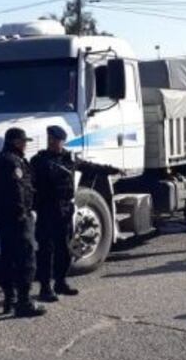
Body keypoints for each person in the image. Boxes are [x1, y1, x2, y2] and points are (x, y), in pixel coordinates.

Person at [30, 125, 120, 302]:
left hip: (64, 209)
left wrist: (112, 169)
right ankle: (45, 288)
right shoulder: (39, 160)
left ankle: (61, 282)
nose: (52, 143)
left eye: (55, 140)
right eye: (50, 139)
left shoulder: (69, 158)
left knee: (64, 248)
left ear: (62, 141)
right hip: (47, 208)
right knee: (46, 250)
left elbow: (89, 167)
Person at [0, 127, 45, 318]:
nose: (26, 145)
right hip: (17, 218)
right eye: (23, 141)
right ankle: (24, 302)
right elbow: (18, 191)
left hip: (1, 217)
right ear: (16, 142)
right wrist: (23, 214)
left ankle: (9, 300)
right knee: (26, 260)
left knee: (7, 259)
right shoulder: (13, 163)